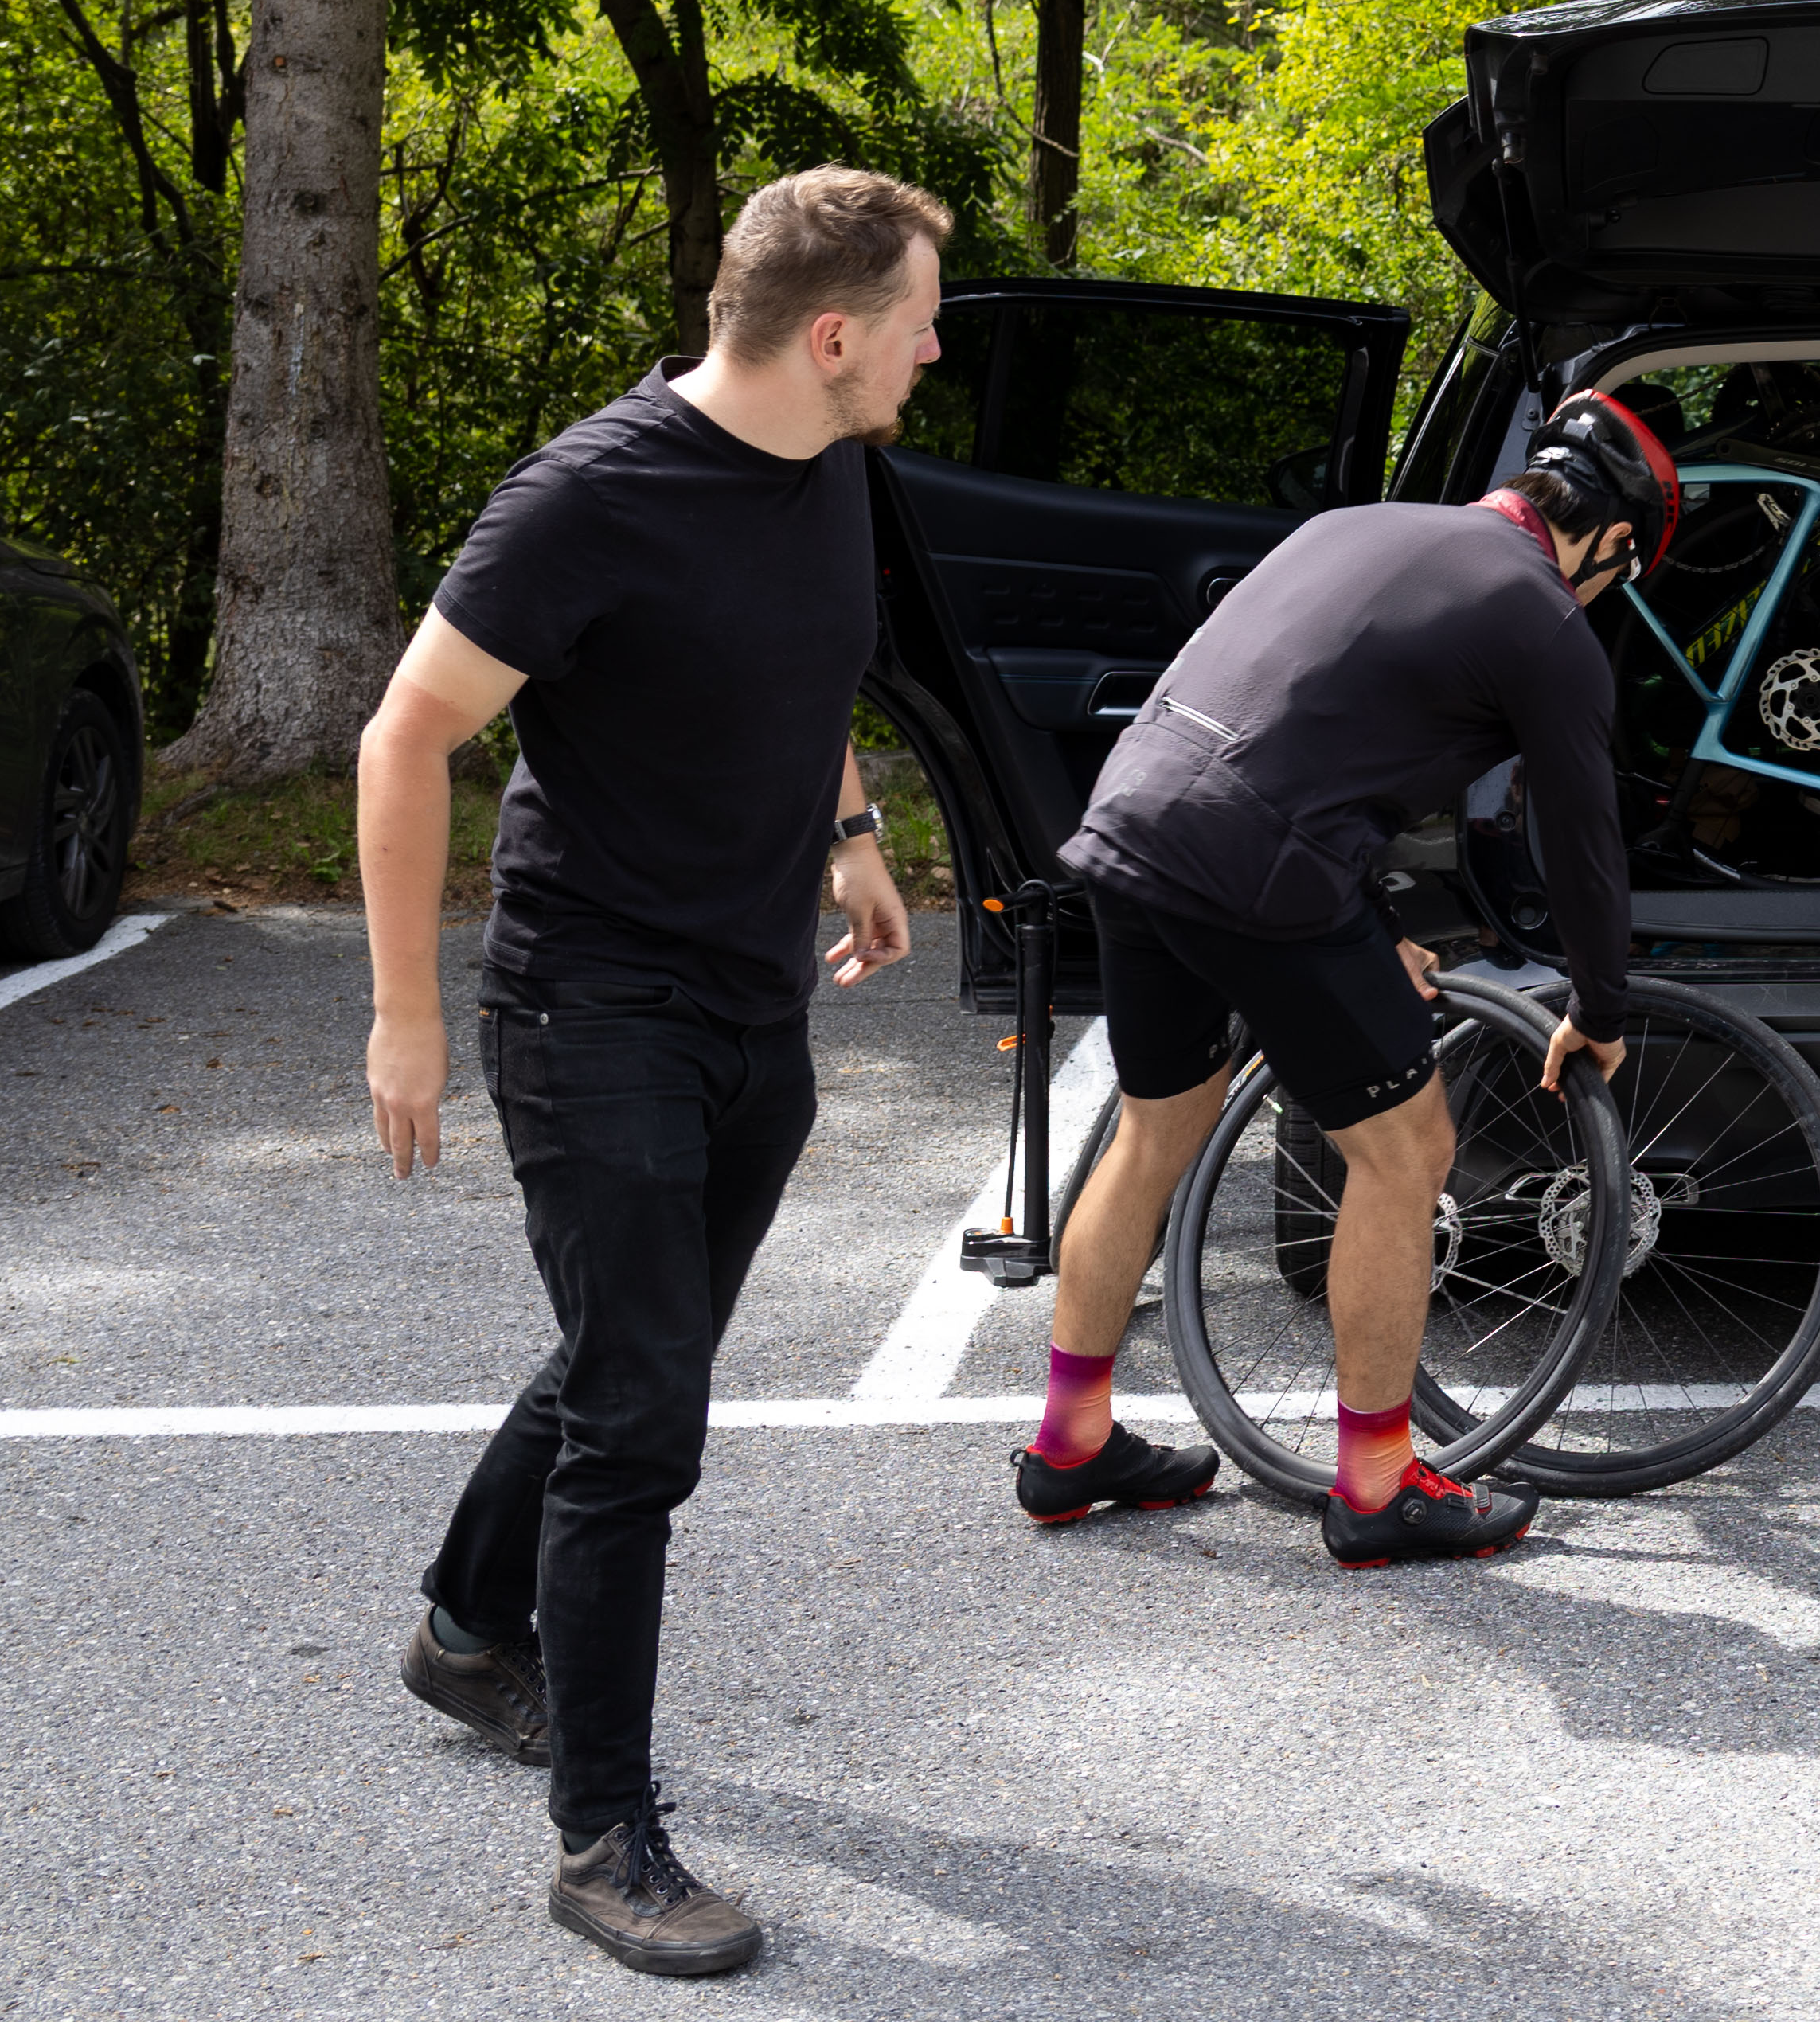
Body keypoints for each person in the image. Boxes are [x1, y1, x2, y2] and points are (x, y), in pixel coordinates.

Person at [362, 166, 951, 1981]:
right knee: (642, 1419)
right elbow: (407, 734)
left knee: (641, 1349)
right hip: (591, 1003)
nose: (933, 354)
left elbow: (804, 666)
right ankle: (604, 1838)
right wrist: (404, 1015)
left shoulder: (828, 465)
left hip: (752, 1001)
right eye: (921, 324)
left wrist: (849, 829)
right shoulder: (591, 497)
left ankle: (469, 1628)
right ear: (832, 335)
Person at [1005, 393, 1663, 1567]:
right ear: (1614, 540)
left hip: (1134, 818)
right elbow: (1582, 837)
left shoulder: (1349, 526)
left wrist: (1372, 921)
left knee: (1154, 1133)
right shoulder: (1543, 615)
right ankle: (1376, 1487)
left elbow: (1294, 726)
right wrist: (1599, 1008)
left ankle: (1069, 1442)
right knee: (1406, 1150)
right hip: (1256, 861)